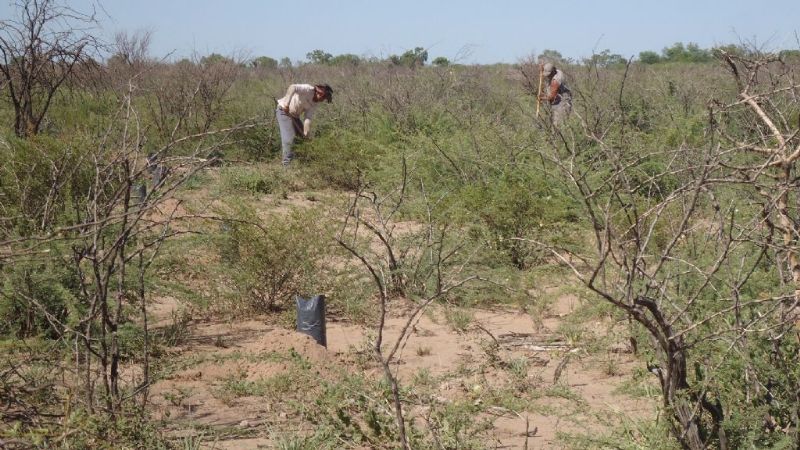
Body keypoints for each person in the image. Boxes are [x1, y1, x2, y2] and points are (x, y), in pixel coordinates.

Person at [275, 83, 333, 166]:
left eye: (325, 98)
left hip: (295, 116)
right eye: (324, 97)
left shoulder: (314, 104)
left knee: (302, 139)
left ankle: (301, 163)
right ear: (319, 93)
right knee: (289, 137)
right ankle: (286, 165)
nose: (323, 99)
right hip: (283, 111)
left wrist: (306, 133)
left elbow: (307, 119)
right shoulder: (307, 89)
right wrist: (286, 104)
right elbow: (293, 87)